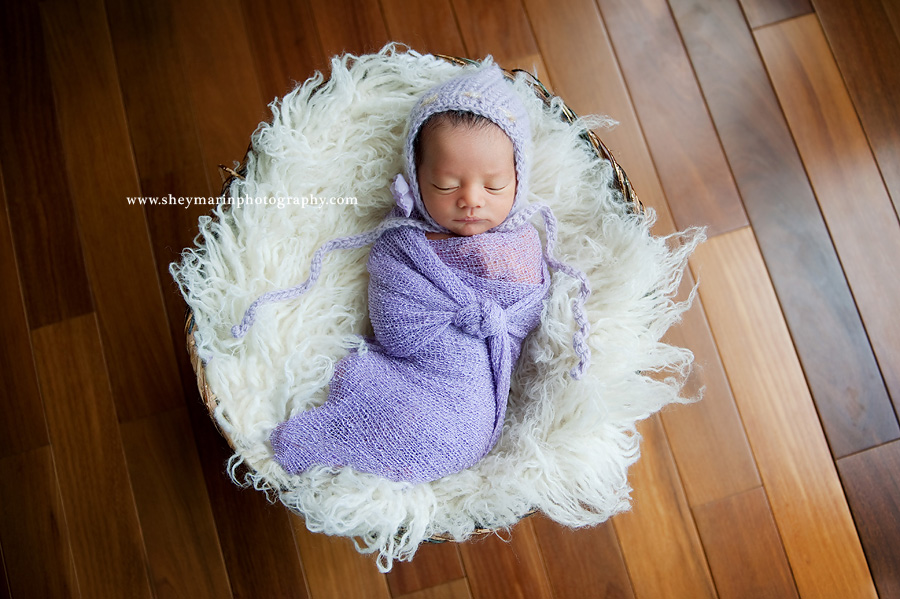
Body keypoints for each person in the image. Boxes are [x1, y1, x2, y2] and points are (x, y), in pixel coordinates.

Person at [233, 62, 591, 483]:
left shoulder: (522, 242)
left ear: (519, 180)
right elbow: (393, 319)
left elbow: (526, 317)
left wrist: (485, 311)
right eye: (445, 185)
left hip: (470, 393)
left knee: (457, 436)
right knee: (430, 429)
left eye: (493, 186)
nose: (471, 200)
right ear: (417, 179)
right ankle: (328, 437)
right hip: (418, 367)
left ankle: (343, 437)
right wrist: (457, 312)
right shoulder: (404, 242)